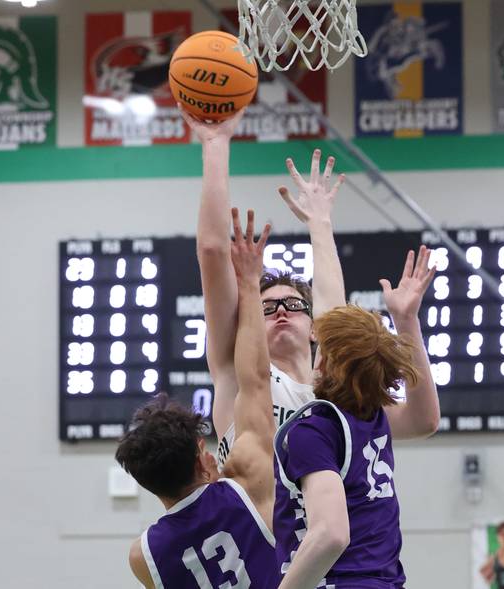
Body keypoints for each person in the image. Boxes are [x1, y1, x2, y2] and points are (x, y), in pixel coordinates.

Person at [180, 106, 441, 474]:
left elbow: (423, 421)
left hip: (328, 530)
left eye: (292, 303)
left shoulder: (341, 393)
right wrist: (215, 144)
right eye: (268, 308)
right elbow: (211, 250)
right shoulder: (236, 373)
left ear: (314, 326)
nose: (281, 311)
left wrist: (407, 321)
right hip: (259, 529)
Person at [115, 209, 279, 589]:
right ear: (203, 458)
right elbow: (254, 381)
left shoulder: (143, 556)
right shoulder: (247, 485)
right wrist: (251, 284)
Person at [273, 247, 440, 588]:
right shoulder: (369, 416)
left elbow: (331, 534)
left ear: (328, 364)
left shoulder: (313, 430)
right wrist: (406, 321)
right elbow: (425, 420)